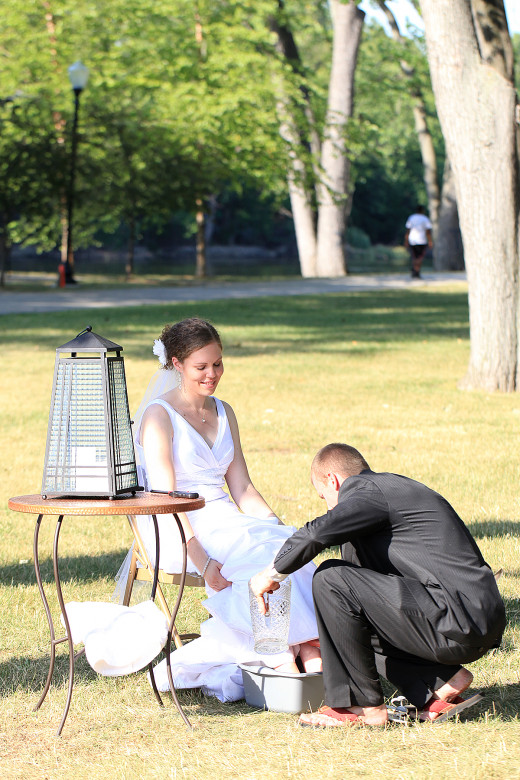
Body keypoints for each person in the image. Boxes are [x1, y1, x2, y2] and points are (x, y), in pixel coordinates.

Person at [127, 317, 321, 701]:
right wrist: (202, 560)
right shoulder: (158, 416)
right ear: (177, 364)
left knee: (288, 550)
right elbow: (167, 500)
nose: (212, 374)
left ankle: (306, 649)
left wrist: (279, 528)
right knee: (260, 558)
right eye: (201, 367)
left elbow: (242, 486)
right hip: (177, 524)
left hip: (223, 515)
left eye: (217, 364)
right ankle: (280, 652)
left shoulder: (223, 410)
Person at [250, 443, 506, 727]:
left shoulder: (369, 492)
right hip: (470, 618)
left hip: (458, 616)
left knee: (330, 577)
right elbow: (352, 611)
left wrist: (270, 574)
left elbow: (316, 533)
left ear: (332, 480)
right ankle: (440, 682)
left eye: (324, 497)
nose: (329, 506)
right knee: (346, 598)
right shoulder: (387, 494)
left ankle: (358, 706)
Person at [404, 205, 433, 278]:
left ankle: (415, 270)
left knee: (414, 256)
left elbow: (408, 230)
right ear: (422, 211)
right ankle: (417, 270)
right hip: (422, 240)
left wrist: (406, 240)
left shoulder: (411, 218)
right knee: (420, 257)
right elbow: (428, 231)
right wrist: (430, 241)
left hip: (412, 240)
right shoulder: (425, 219)